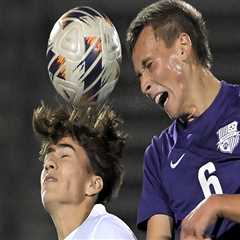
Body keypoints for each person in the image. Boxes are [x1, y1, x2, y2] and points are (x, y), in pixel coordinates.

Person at [126, 0, 240, 239]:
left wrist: (217, 205)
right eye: (139, 75)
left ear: (182, 46)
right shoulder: (159, 155)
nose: (144, 85)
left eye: (149, 65)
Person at [32, 102, 137, 240]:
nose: (49, 164)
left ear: (93, 184)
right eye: (48, 156)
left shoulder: (106, 231)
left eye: (64, 156)